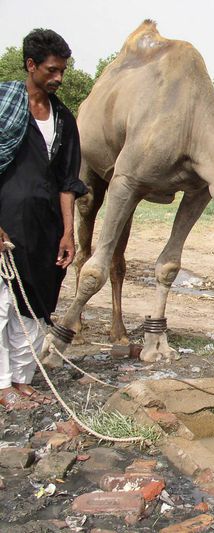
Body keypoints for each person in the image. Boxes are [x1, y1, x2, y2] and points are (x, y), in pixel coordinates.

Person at [0, 29, 87, 410]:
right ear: (31, 65)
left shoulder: (64, 118)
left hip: (46, 226)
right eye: (52, 70)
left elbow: (67, 182)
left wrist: (68, 233)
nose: (59, 78)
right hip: (6, 222)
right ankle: (2, 385)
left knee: (35, 304)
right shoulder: (4, 105)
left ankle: (21, 378)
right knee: (1, 304)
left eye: (63, 71)